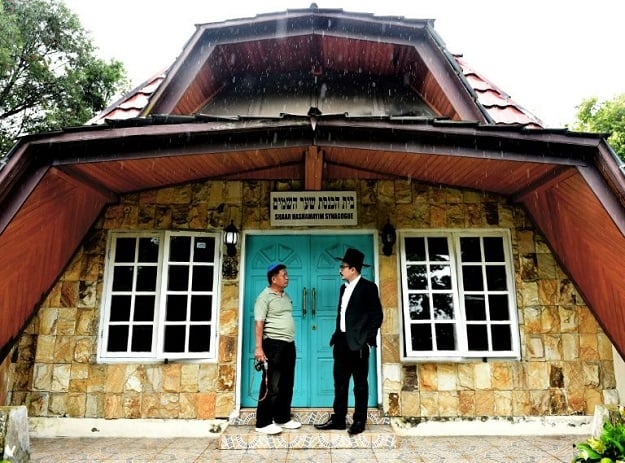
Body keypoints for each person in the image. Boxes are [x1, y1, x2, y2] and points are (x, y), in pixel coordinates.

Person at [314, 248, 383, 435]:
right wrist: (338, 336)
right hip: (342, 342)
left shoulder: (368, 288)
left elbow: (377, 316)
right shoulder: (343, 288)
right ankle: (338, 419)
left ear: (353, 269)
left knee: (360, 385)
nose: (340, 270)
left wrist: (368, 340)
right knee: (340, 383)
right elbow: (342, 315)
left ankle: (359, 420)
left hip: (359, 344)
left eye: (343, 267)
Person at [253, 263, 302, 434]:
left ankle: (282, 418)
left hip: (289, 344)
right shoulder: (264, 297)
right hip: (273, 344)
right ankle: (263, 422)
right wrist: (259, 348)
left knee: (287, 383)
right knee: (271, 384)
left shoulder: (285, 296)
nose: (287, 277)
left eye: (287, 275)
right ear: (274, 279)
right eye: (284, 275)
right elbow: (259, 323)